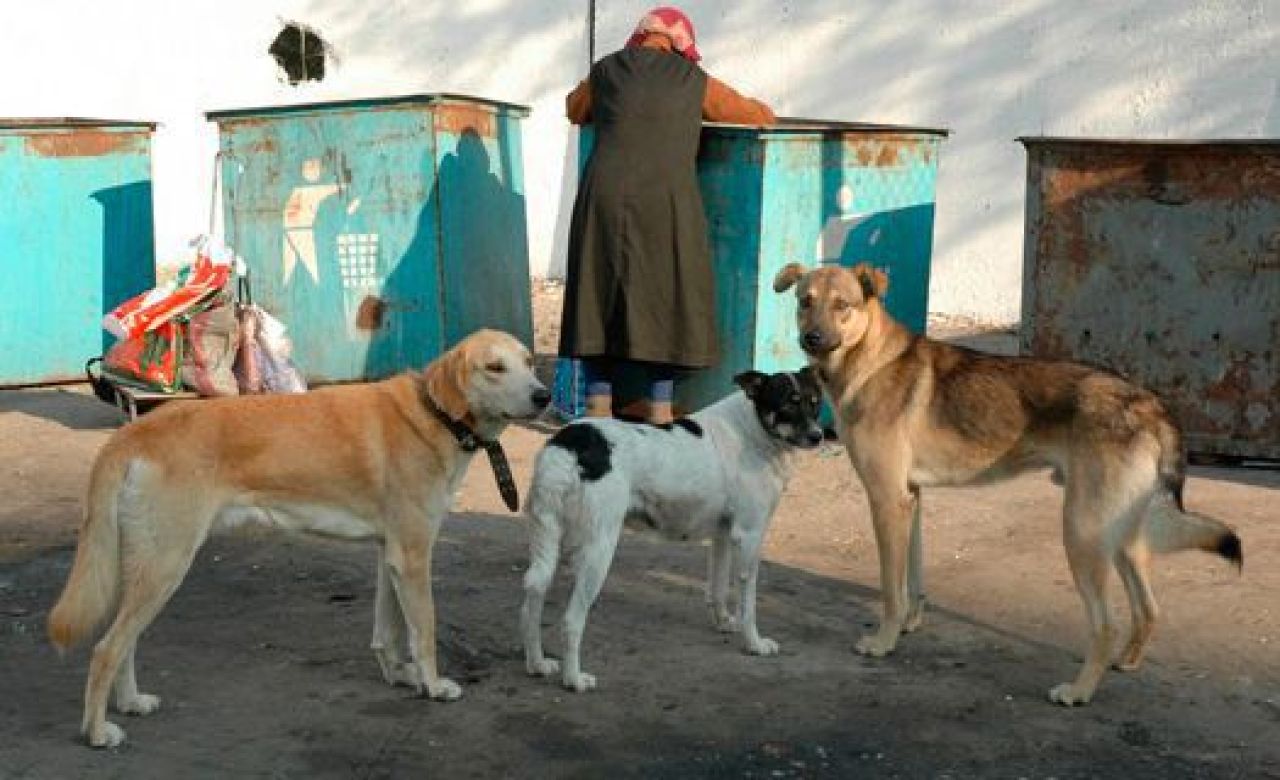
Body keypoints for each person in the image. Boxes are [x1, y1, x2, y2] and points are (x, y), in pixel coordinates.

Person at [559, 5, 777, 425]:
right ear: (682, 44)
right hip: (666, 203)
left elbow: (574, 109)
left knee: (597, 293)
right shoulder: (695, 81)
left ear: (639, 38)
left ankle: (599, 409)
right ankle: (661, 410)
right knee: (670, 296)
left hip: (603, 198)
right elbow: (758, 117)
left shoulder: (605, 72)